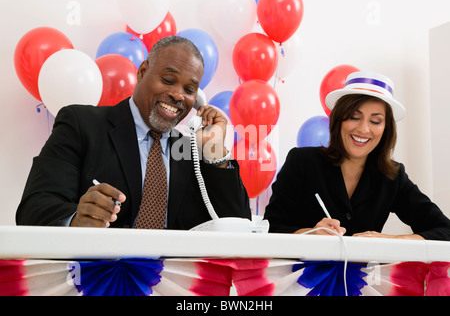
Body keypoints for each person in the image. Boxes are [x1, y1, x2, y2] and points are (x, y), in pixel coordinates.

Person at [16, 36, 251, 229]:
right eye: (168, 80)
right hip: (98, 278)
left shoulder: (193, 151)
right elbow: (34, 207)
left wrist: (215, 153)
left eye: (189, 89)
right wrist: (76, 219)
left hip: (171, 282)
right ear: (142, 72)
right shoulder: (81, 124)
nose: (178, 95)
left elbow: (239, 227)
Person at [264, 71, 450, 240]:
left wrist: (390, 241)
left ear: (386, 129)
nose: (363, 129)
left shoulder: (392, 176)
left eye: (375, 121)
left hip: (366, 277)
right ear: (339, 119)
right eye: (354, 117)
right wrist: (310, 233)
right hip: (301, 274)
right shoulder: (302, 162)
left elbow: (444, 230)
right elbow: (271, 227)